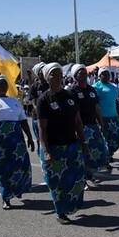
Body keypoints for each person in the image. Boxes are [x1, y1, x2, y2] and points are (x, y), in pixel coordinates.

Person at [37, 63, 87, 224]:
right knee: (57, 182)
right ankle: (61, 212)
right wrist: (46, 151)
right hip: (54, 147)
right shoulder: (44, 99)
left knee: (78, 179)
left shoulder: (69, 95)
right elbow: (42, 129)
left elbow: (78, 121)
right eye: (53, 74)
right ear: (47, 77)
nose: (57, 77)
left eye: (59, 74)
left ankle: (71, 206)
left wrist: (83, 141)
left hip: (72, 144)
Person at [0, 75, 35, 209]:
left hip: (17, 141)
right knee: (3, 169)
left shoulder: (14, 101)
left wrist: (29, 137)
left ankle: (18, 190)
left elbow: (23, 121)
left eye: (5, 83)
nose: (3, 86)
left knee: (21, 166)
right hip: (0, 142)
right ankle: (6, 198)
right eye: (0, 84)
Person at [70, 64, 109, 186]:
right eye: (80, 73)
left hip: (93, 126)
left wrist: (101, 123)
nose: (83, 75)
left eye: (84, 72)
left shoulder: (91, 90)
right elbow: (72, 112)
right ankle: (83, 178)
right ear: (75, 76)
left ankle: (89, 174)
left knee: (96, 152)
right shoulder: (72, 91)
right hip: (80, 127)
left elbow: (96, 107)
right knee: (83, 153)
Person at [93, 67, 119, 171]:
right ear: (99, 76)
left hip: (113, 117)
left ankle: (109, 154)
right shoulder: (96, 87)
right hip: (102, 118)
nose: (106, 76)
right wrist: (97, 119)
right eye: (104, 74)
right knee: (104, 140)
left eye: (108, 74)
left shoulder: (114, 87)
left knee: (118, 139)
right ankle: (105, 160)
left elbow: (116, 102)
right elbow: (94, 104)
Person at [28, 62, 49, 153]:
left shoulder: (50, 84)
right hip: (37, 117)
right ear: (38, 74)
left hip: (50, 116)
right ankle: (41, 154)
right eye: (42, 71)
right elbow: (32, 99)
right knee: (39, 137)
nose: (44, 73)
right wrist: (36, 108)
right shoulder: (35, 86)